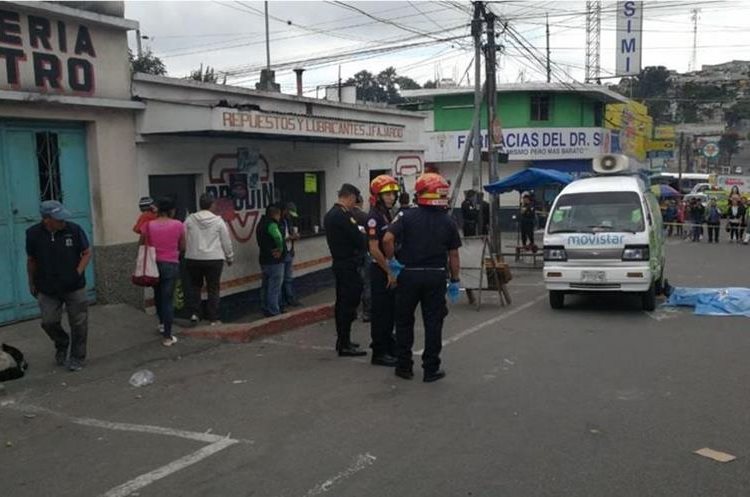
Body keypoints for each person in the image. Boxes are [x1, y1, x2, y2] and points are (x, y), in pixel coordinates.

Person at [383, 173, 462, 383]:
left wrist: (392, 261)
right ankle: (431, 369)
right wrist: (455, 280)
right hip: (436, 275)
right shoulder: (448, 221)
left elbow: (387, 239)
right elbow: (454, 255)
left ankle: (404, 366)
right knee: (433, 323)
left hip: (408, 274)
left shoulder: (406, 215)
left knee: (404, 321)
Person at [26, 200, 92, 371]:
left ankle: (77, 357)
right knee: (48, 322)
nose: (63, 221)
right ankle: (62, 342)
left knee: (79, 323)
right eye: (58, 218)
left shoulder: (74, 230)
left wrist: (77, 272)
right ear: (46, 219)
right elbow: (32, 260)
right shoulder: (33, 234)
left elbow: (86, 253)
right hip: (47, 287)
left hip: (74, 286)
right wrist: (31, 281)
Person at [324, 184, 368, 357]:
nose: (354, 204)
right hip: (348, 264)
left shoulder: (331, 214)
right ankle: (344, 343)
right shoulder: (342, 216)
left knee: (343, 302)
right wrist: (363, 235)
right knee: (348, 304)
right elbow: (359, 239)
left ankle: (343, 340)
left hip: (341, 263)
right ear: (350, 197)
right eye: (354, 200)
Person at [366, 175, 401, 367]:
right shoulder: (374, 217)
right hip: (380, 269)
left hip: (388, 267)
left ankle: (388, 345)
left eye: (393, 194)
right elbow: (374, 249)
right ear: (378, 196)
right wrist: (388, 270)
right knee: (381, 312)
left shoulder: (386, 214)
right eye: (387, 194)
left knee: (389, 311)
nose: (391, 197)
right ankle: (379, 352)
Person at [184, 194, 234, 325]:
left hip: (193, 258)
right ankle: (213, 318)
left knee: (195, 286)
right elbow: (226, 241)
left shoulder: (190, 220)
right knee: (213, 288)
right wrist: (229, 257)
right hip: (214, 259)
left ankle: (195, 313)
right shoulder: (218, 221)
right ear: (212, 205)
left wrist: (187, 250)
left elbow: (184, 237)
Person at [141, 197, 185, 347]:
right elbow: (183, 246)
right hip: (171, 264)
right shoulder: (178, 225)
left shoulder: (148, 225)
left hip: (154, 264)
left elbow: (142, 243)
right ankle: (167, 336)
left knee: (158, 295)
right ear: (171, 210)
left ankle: (161, 323)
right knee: (167, 299)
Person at [256, 204, 286, 317]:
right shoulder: (272, 224)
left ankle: (265, 308)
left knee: (265, 286)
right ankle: (274, 311)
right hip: (274, 261)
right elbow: (278, 237)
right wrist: (280, 249)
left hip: (264, 259)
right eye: (279, 215)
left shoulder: (260, 224)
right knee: (274, 287)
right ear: (276, 214)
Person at [351, 195, 371, 322]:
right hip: (364, 253)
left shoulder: (347, 216)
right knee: (367, 284)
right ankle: (367, 312)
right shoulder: (365, 217)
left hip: (351, 255)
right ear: (361, 203)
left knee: (353, 284)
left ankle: (352, 311)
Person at [280, 202, 302, 308]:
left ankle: (290, 298)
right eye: (289, 214)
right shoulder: (279, 222)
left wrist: (293, 246)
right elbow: (279, 238)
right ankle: (282, 301)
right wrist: (290, 238)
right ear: (285, 211)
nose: (290, 216)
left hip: (289, 251)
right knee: (280, 279)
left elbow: (290, 233)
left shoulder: (289, 221)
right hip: (282, 252)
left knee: (288, 278)